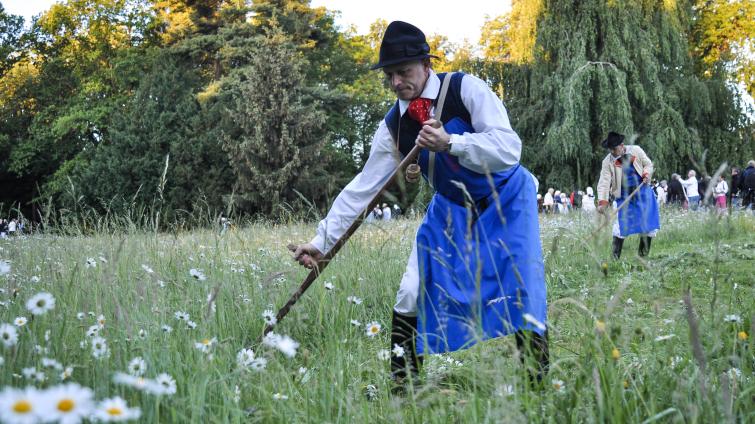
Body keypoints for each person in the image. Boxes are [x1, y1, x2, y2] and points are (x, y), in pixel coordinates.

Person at [289, 21, 548, 386]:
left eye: (404, 71)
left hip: (506, 199)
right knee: (411, 290)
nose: (397, 82)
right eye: (390, 75)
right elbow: (364, 187)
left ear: (426, 64)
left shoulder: (465, 88)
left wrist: (453, 143)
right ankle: (403, 389)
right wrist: (321, 242)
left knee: (524, 286)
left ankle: (538, 384)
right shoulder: (395, 125)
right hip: (452, 208)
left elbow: (509, 149)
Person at [596, 132, 660, 259]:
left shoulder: (636, 150)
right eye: (610, 150)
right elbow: (604, 182)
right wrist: (603, 201)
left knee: (647, 226)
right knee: (620, 227)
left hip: (642, 193)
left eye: (614, 149)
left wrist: (646, 174)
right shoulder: (607, 162)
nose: (612, 152)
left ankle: (643, 258)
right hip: (624, 197)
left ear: (622, 145)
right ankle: (615, 259)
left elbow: (648, 164)